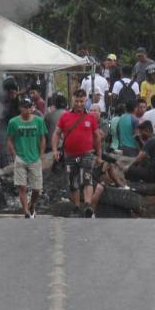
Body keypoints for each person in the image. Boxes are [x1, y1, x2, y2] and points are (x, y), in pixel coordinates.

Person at [51, 89, 103, 217]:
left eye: (82, 101)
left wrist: (99, 155)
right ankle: (76, 206)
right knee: (73, 182)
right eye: (77, 101)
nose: (79, 104)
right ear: (72, 100)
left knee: (87, 178)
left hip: (87, 154)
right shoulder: (65, 116)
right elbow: (57, 133)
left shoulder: (91, 117)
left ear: (86, 101)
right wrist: (54, 150)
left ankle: (87, 205)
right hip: (70, 155)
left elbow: (97, 137)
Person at [7, 97, 47, 218]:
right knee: (22, 186)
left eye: (30, 107)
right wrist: (14, 154)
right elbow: (9, 139)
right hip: (20, 157)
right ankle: (26, 211)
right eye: (25, 107)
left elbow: (43, 138)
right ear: (20, 108)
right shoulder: (13, 122)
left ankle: (32, 205)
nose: (28, 109)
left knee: (37, 188)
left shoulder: (39, 121)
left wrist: (41, 154)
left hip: (34, 158)